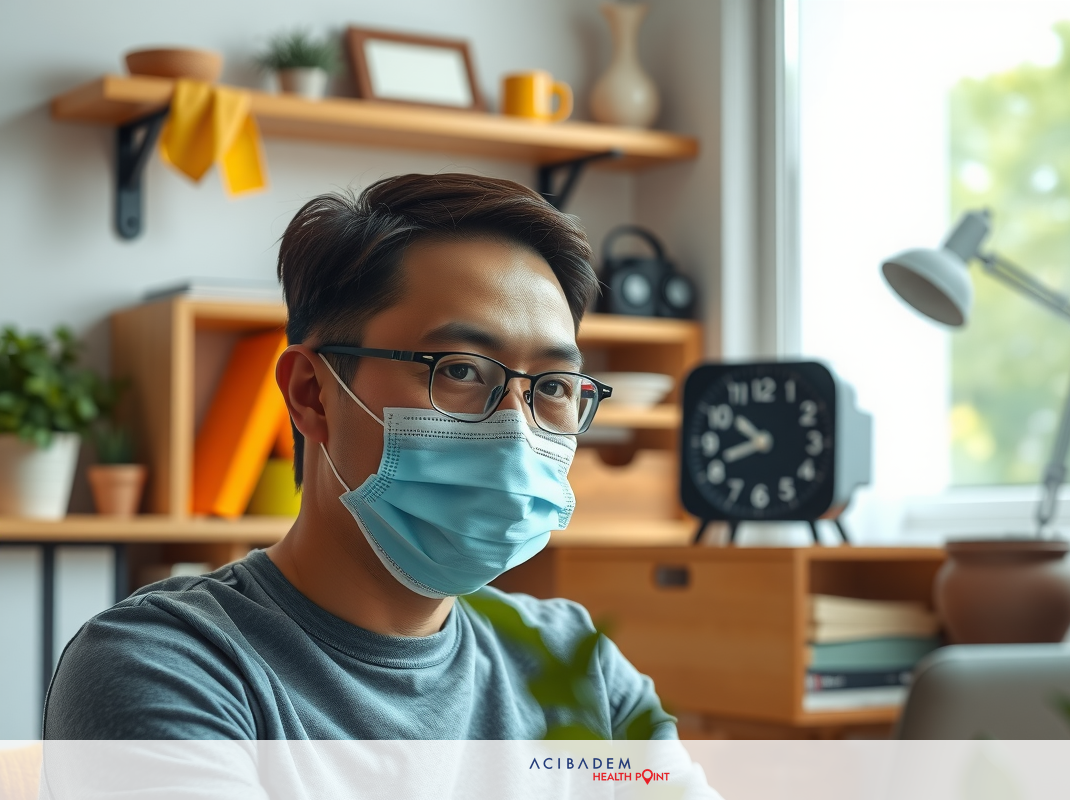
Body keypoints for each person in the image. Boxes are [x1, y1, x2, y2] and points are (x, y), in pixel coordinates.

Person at [44, 173, 676, 741]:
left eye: (555, 387)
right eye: (459, 369)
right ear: (312, 394)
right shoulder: (172, 666)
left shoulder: (578, 667)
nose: (516, 428)